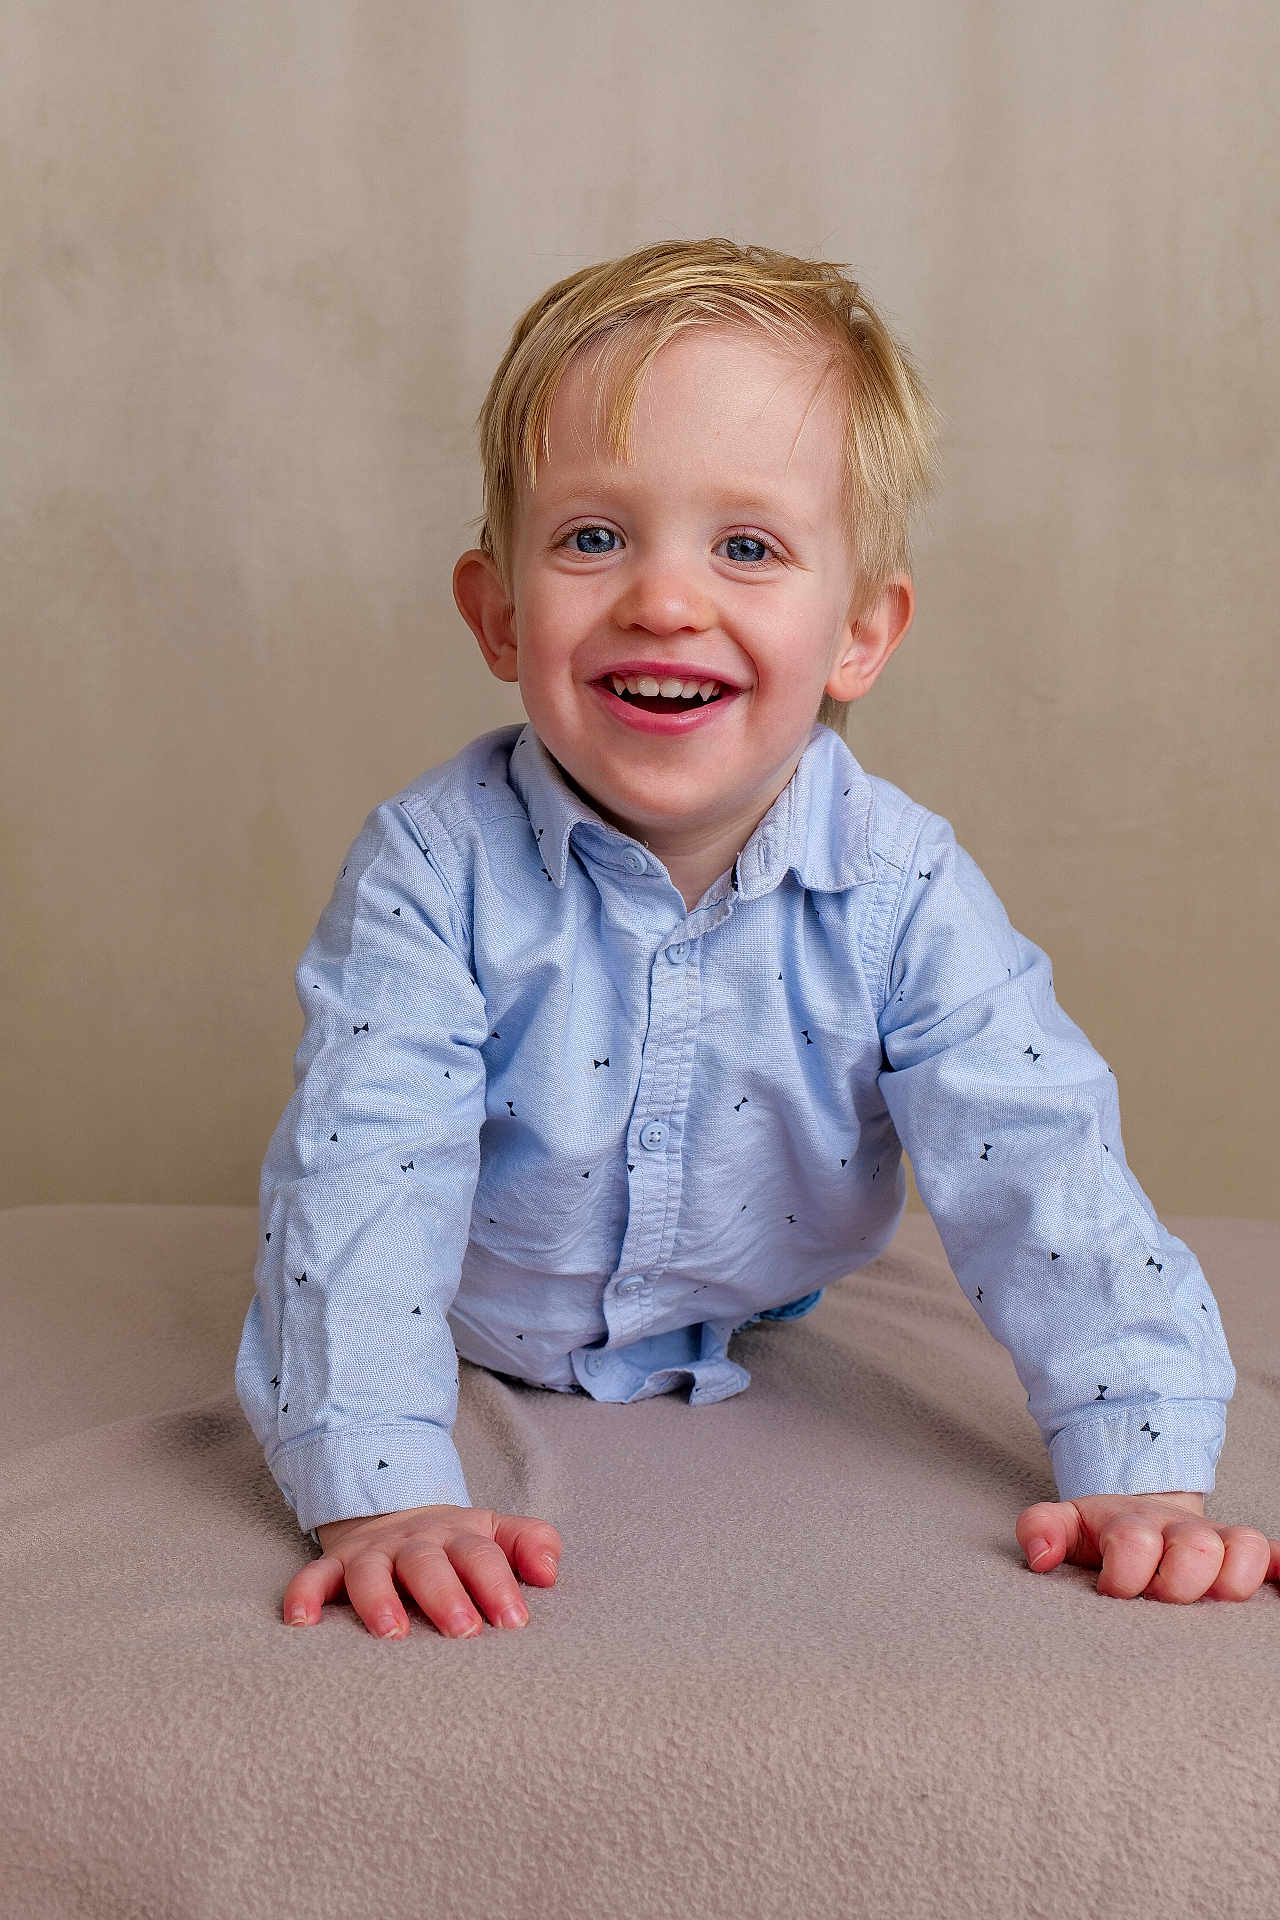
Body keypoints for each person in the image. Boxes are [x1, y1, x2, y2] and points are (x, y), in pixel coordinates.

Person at [235, 237, 1278, 1641]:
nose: (666, 599)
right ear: (499, 613)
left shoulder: (904, 888)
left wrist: (1142, 1460)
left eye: (747, 547)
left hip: (758, 1299)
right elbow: (367, 1165)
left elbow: (1041, 1158)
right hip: (483, 1315)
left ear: (859, 633)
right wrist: (382, 1486)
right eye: (593, 538)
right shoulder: (433, 870)